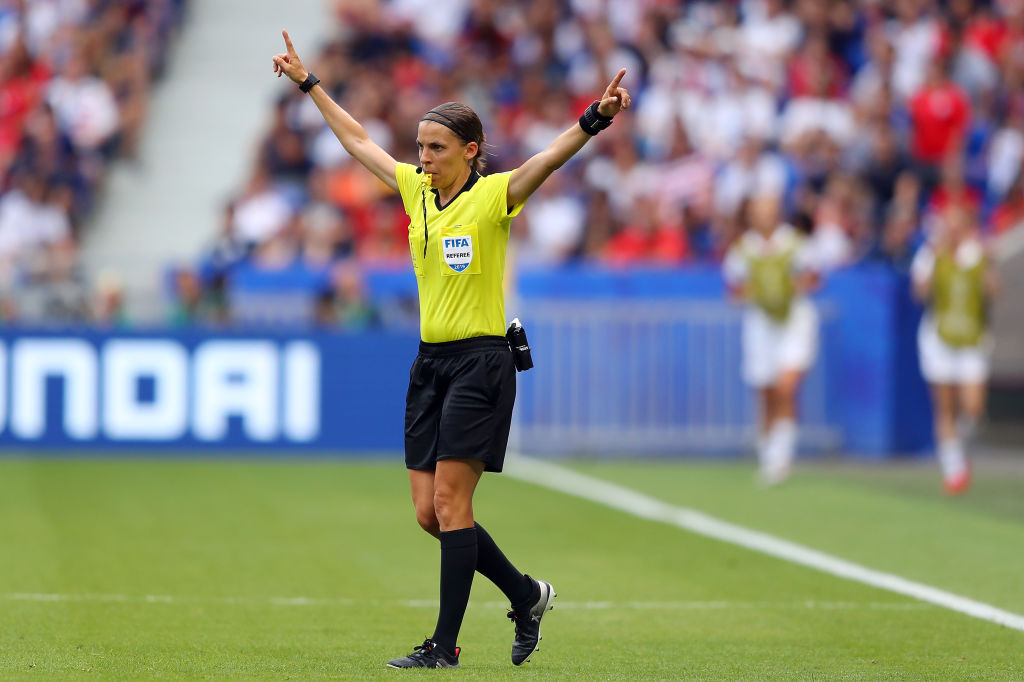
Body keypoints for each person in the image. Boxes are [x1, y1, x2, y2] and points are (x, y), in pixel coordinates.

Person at [271, 30, 631, 669]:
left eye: (436, 148)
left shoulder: (494, 199)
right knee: (428, 514)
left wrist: (594, 119)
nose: (424, 157)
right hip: (431, 364)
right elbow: (358, 141)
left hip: (482, 363)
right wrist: (309, 83)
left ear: (470, 150)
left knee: (450, 504)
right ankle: (526, 595)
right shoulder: (416, 193)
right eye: (420, 147)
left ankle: (444, 647)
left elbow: (546, 159)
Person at [722, 194, 820, 485]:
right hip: (760, 324)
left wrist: (788, 286)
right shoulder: (743, 249)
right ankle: (767, 453)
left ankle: (782, 456)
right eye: (757, 212)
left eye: (767, 211)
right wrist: (752, 292)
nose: (762, 217)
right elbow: (733, 288)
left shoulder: (795, 243)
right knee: (765, 391)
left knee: (786, 386)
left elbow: (814, 277)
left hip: (793, 321)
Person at [911, 205, 998, 494]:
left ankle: (957, 448)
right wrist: (937, 264)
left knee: (973, 407)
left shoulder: (977, 254)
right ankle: (954, 469)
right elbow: (919, 293)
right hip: (939, 338)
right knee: (945, 405)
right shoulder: (931, 254)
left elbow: (993, 291)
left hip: (972, 337)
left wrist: (987, 265)